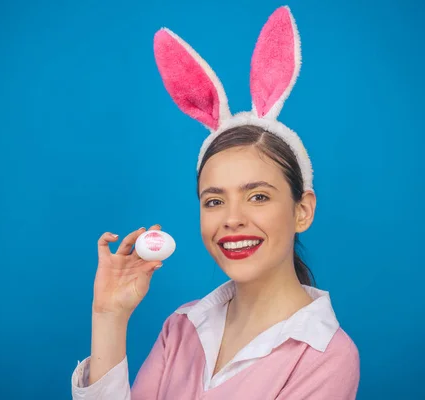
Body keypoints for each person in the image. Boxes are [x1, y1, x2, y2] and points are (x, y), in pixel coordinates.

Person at [71, 6, 360, 399]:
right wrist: (108, 316)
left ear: (302, 210)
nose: (231, 219)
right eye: (213, 201)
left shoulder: (326, 356)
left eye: (257, 196)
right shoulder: (182, 327)